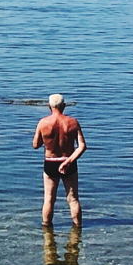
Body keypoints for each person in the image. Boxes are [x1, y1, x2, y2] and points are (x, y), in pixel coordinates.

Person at [31, 93, 85, 228]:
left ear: (49, 106)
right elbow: (82, 146)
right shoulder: (73, 122)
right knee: (73, 199)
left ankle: (47, 230)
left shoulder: (43, 122)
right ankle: (77, 229)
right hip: (69, 162)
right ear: (64, 106)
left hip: (50, 162)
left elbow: (35, 145)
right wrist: (68, 161)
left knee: (49, 199)